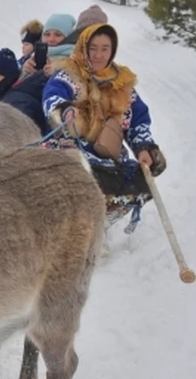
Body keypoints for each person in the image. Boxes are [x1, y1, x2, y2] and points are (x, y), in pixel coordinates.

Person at [41, 22, 168, 229]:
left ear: (112, 50)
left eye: (105, 49)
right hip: (71, 144)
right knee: (79, 173)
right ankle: (70, 225)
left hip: (108, 150)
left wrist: (143, 147)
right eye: (93, 49)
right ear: (83, 48)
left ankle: (99, 224)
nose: (99, 55)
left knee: (139, 178)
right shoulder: (68, 74)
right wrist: (63, 110)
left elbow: (137, 119)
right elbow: (52, 96)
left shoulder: (121, 83)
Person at [20, 12, 76, 78]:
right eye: (47, 34)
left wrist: (59, 74)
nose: (51, 39)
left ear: (68, 37)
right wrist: (24, 71)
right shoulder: (35, 56)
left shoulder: (74, 59)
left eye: (58, 35)